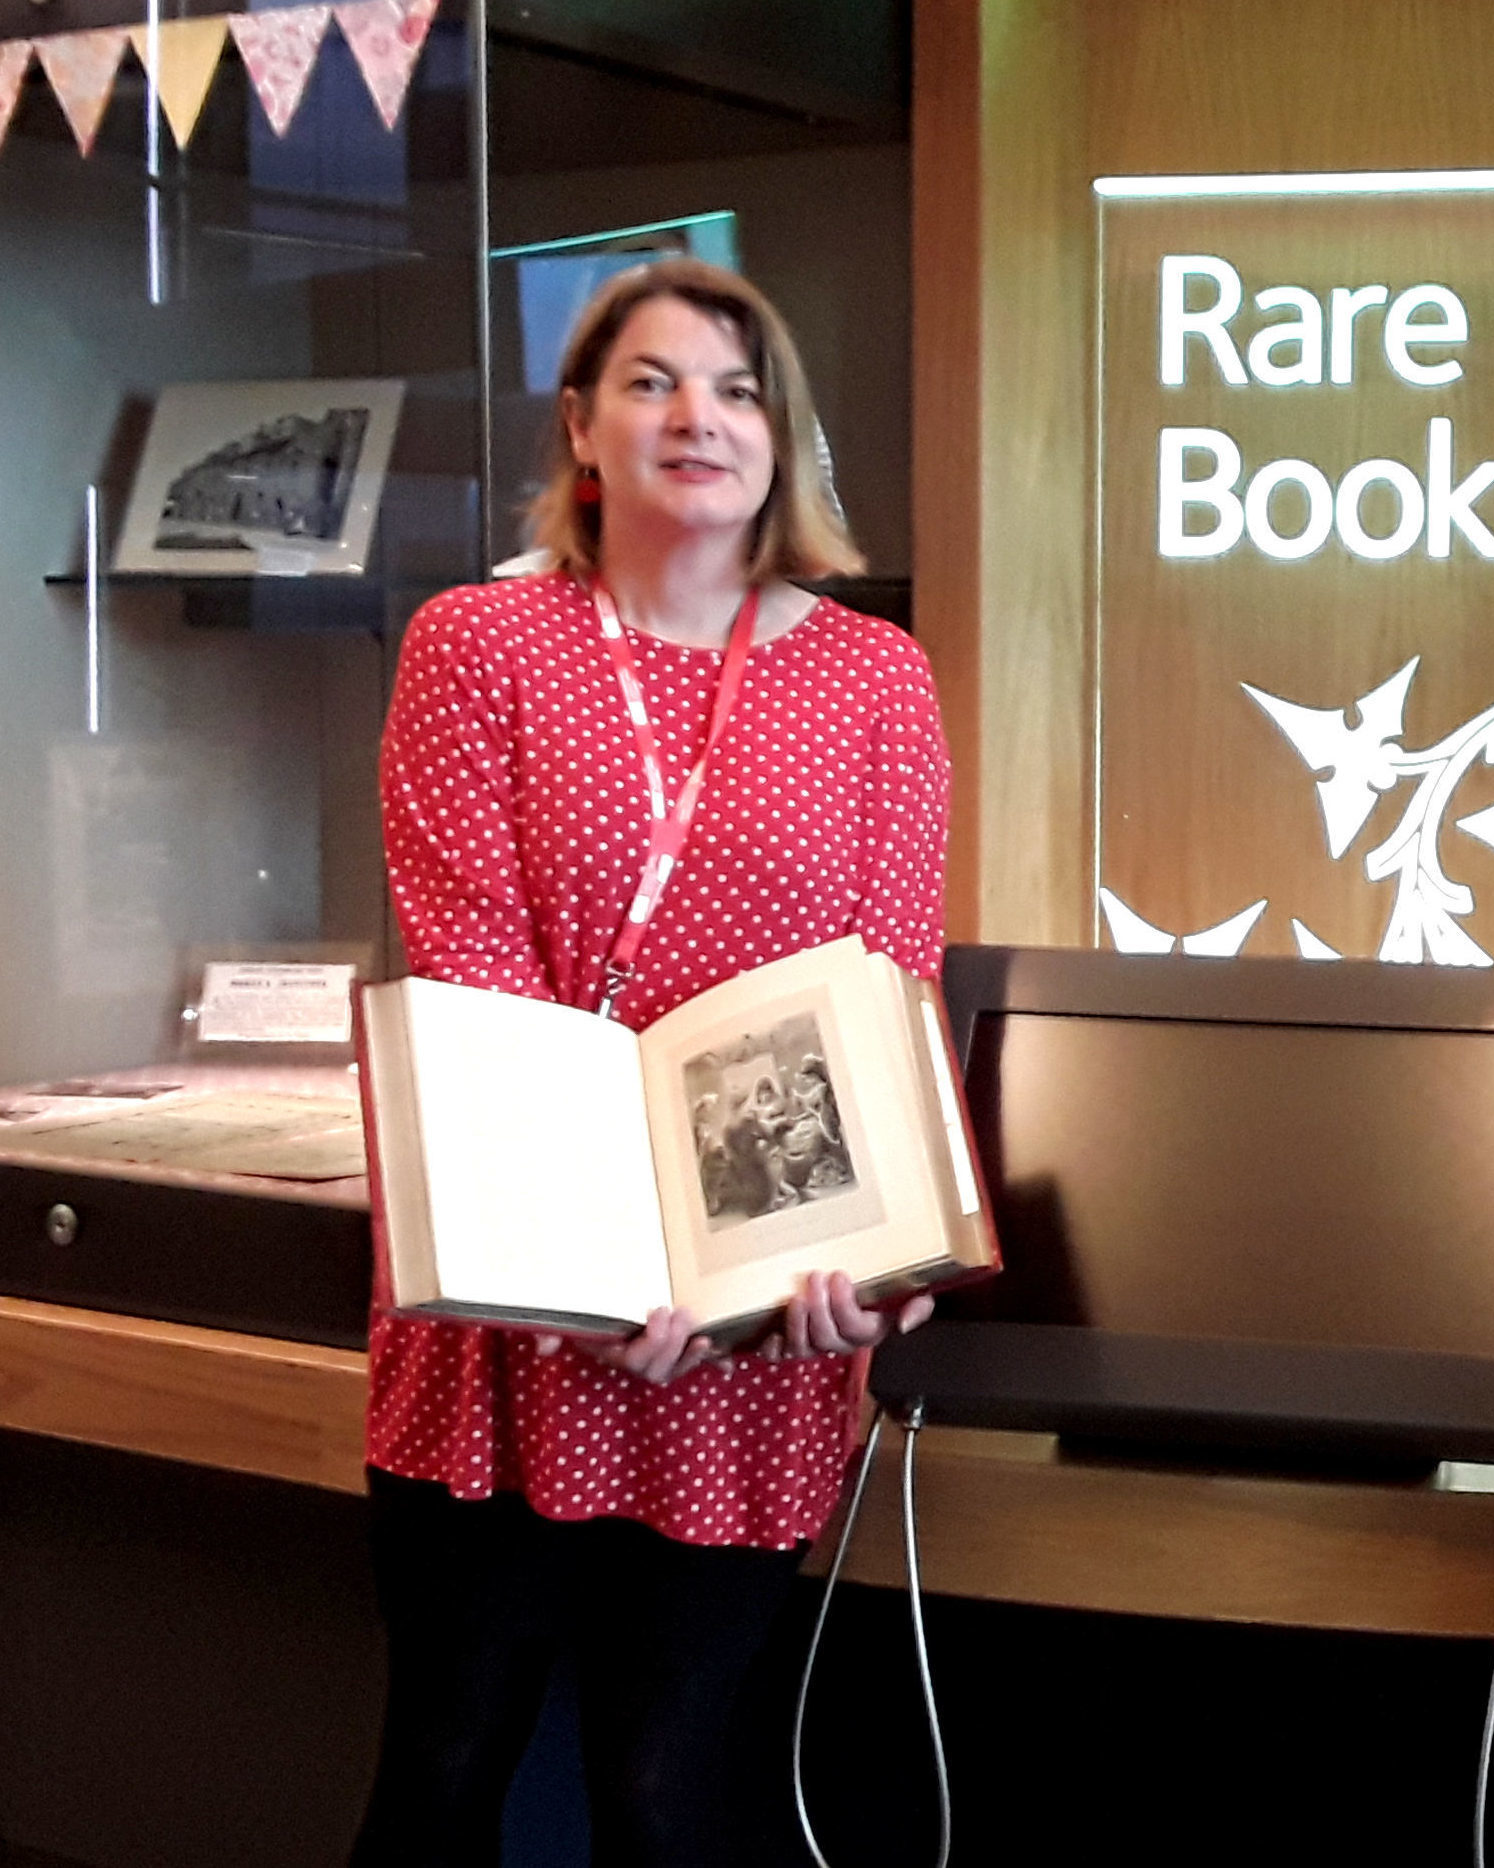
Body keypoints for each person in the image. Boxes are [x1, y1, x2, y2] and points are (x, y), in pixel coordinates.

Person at [353, 258, 951, 1867]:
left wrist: (871, 1262)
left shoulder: (876, 680)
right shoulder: (476, 645)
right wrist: (606, 1272)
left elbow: (883, 1000)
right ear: (581, 426)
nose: (701, 415)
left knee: (669, 1800)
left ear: (784, 435)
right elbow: (479, 983)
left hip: (753, 1339)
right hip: (516, 1319)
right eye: (653, 380)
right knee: (444, 1770)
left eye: (741, 388)